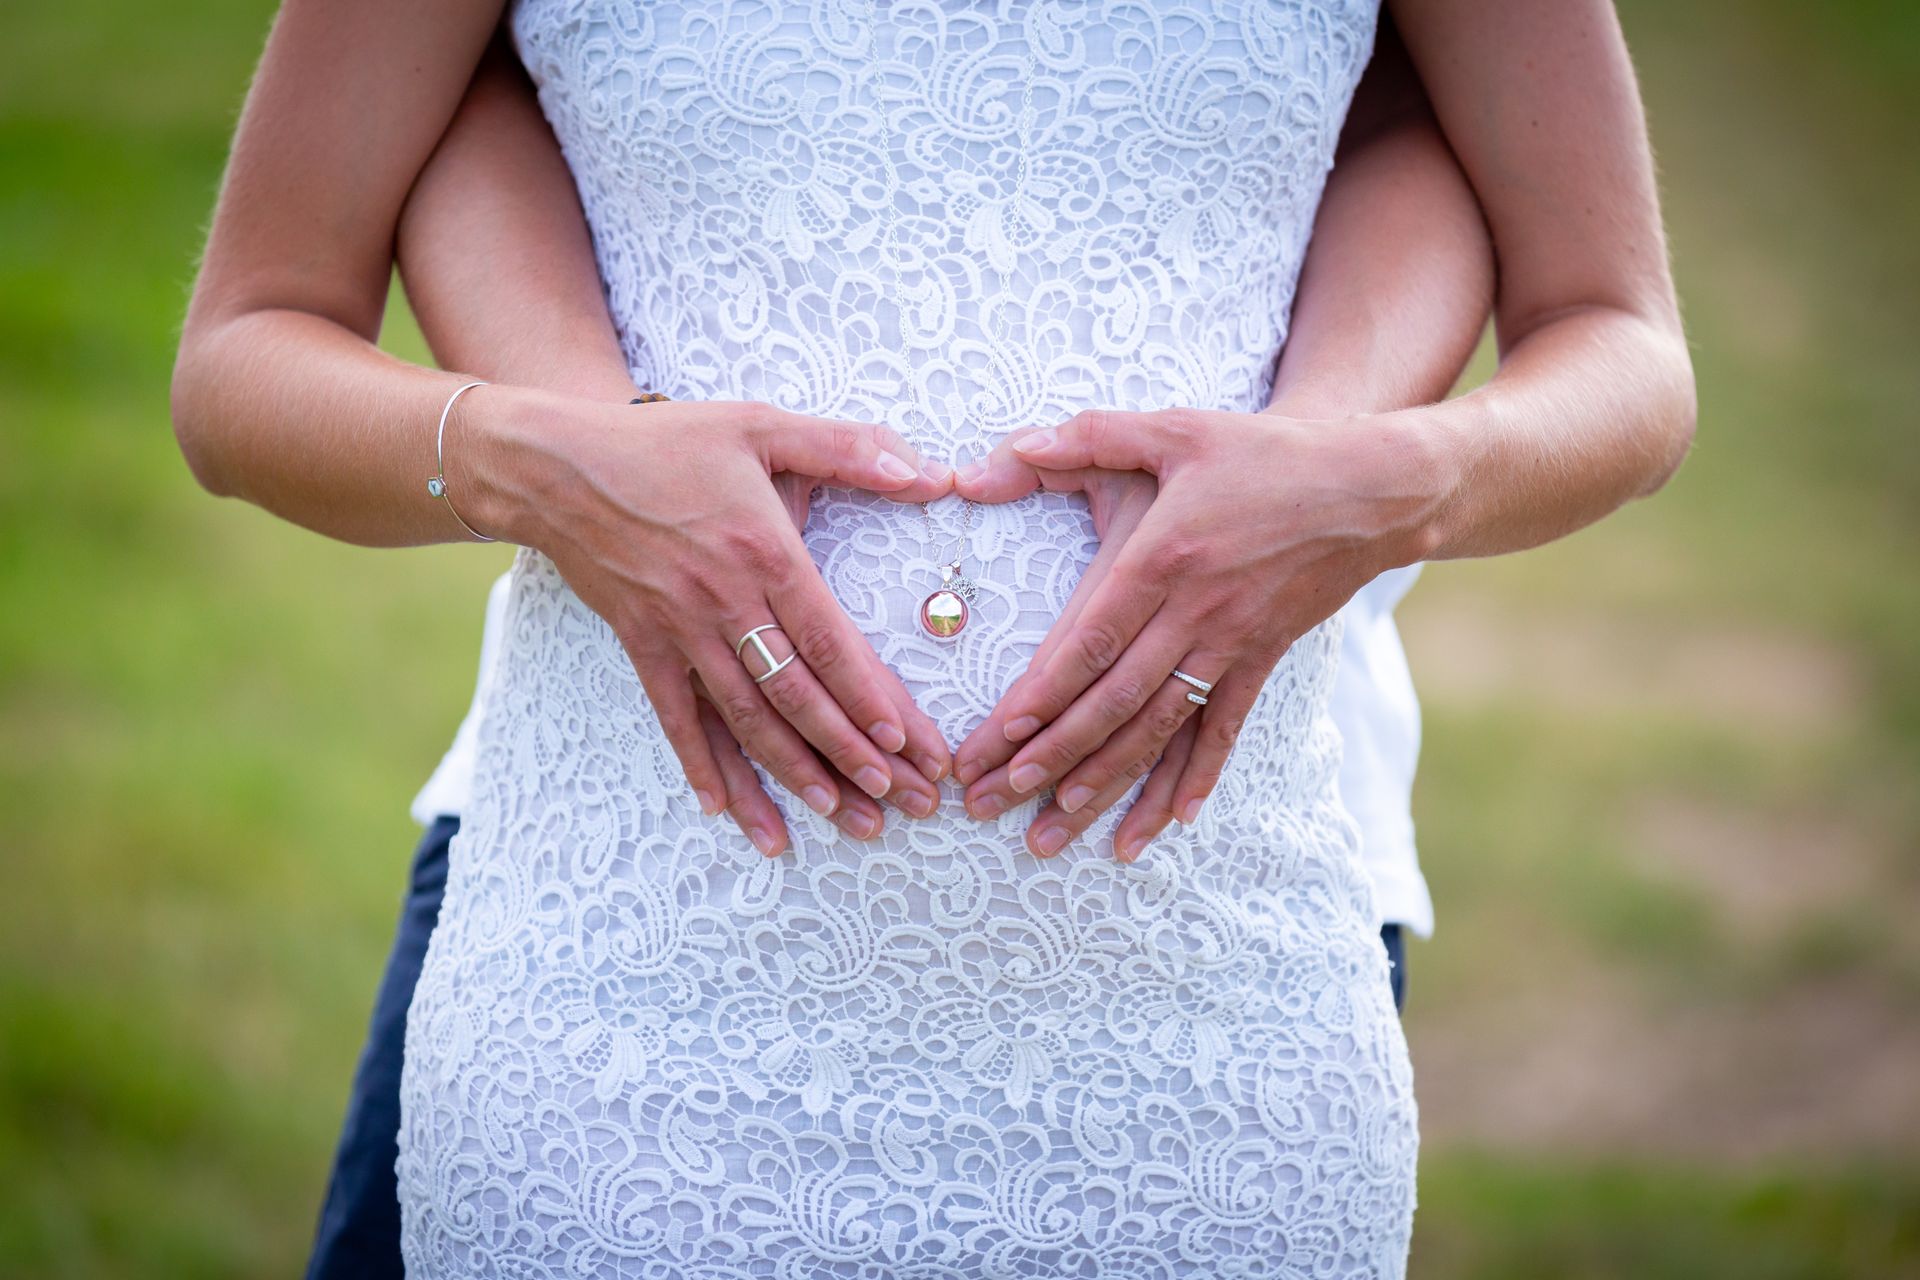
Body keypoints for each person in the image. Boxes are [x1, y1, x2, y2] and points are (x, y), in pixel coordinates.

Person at [173, 0, 1693, 1274]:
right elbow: (260, 333)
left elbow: (1603, 316)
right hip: (631, 1018)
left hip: (1207, 1030)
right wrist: (544, 454)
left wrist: (1386, 478)